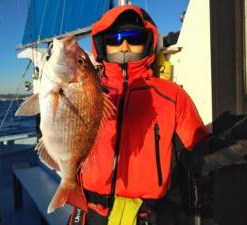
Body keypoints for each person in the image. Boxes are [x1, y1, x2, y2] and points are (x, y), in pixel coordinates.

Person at [66, 4, 247, 225]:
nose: (124, 45)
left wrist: (237, 140)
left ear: (148, 41)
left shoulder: (171, 95)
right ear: (103, 43)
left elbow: (197, 150)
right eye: (115, 38)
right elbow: (61, 135)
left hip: (149, 217)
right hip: (90, 213)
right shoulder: (85, 92)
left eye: (134, 37)